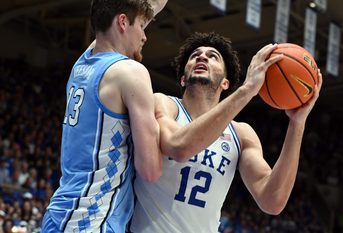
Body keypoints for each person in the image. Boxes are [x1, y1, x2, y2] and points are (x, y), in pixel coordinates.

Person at [128, 32, 322, 233]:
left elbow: (272, 201)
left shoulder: (241, 134)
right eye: (195, 55)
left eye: (213, 56)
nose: (202, 57)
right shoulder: (165, 105)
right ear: (183, 79)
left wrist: (296, 124)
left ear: (225, 83)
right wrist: (247, 90)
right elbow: (179, 147)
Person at [41, 0, 167, 232]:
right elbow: (150, 170)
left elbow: (140, 9)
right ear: (122, 22)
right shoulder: (131, 72)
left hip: (62, 211)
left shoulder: (84, 61)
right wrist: (162, 119)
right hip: (91, 219)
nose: (145, 35)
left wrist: (140, 14)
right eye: (141, 26)